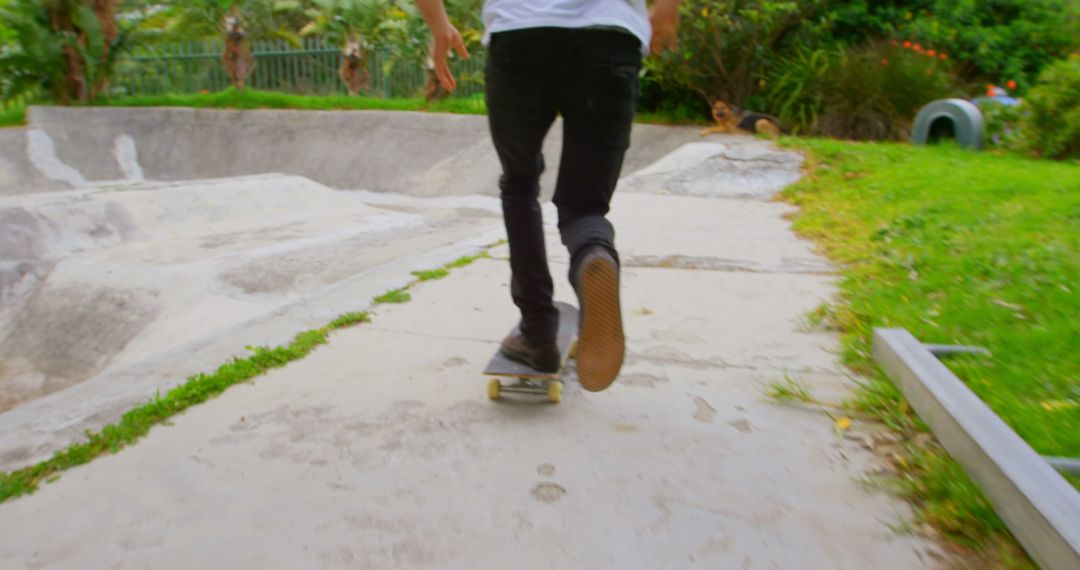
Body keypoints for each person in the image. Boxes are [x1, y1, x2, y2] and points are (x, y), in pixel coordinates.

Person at [416, 0, 681, 392]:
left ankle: (538, 333)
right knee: (585, 206)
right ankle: (594, 253)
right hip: (610, 38)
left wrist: (438, 25)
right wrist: (668, 7)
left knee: (520, 183)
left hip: (520, 37)